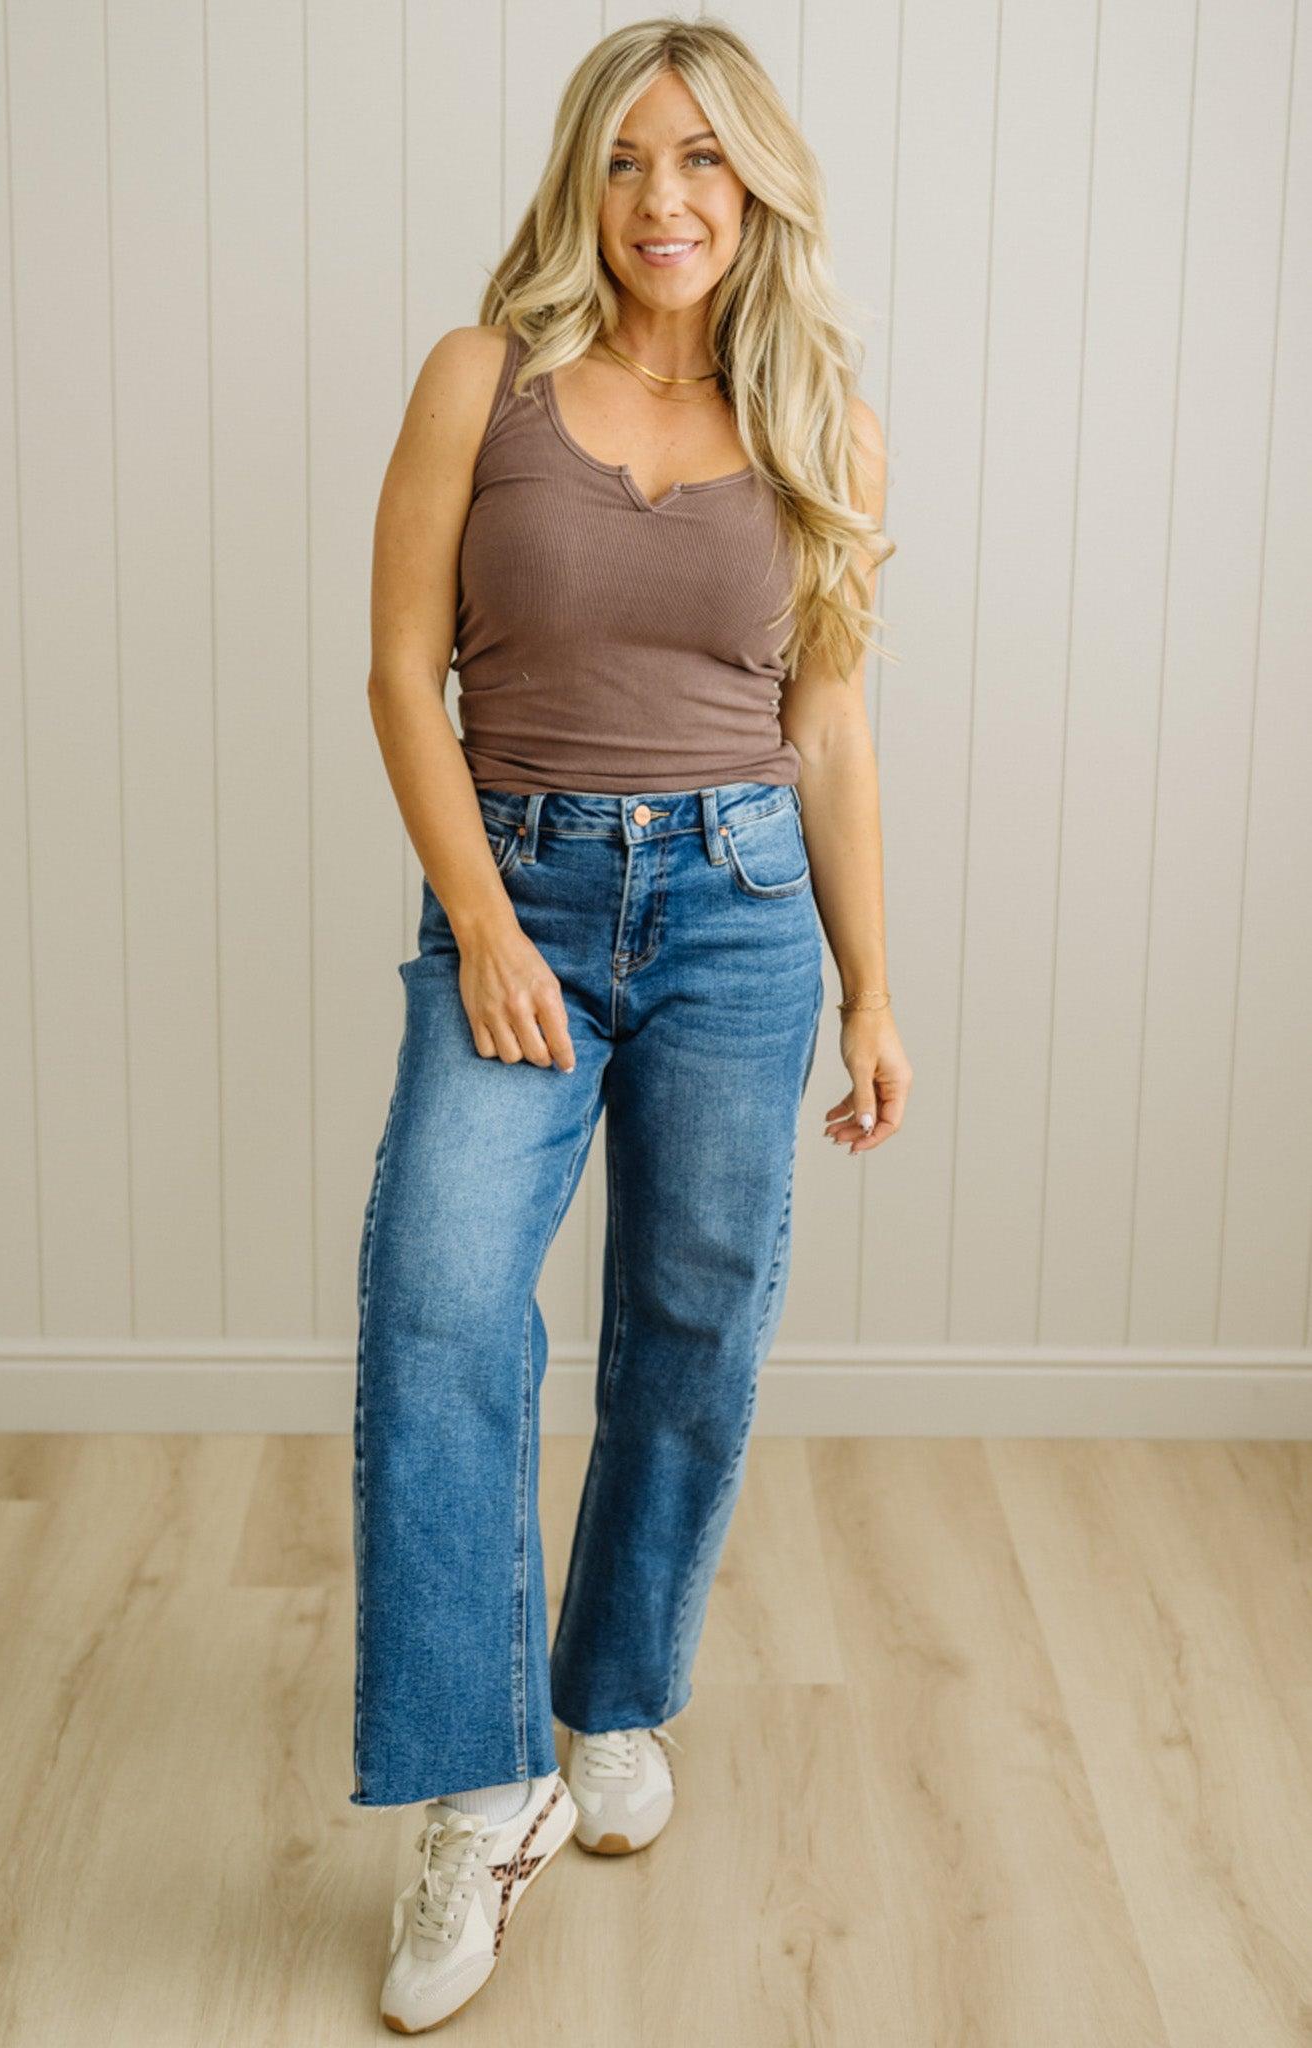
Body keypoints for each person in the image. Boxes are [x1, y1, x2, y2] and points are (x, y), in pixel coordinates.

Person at [351, 16, 912, 2034]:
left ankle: (609, 1706)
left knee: (687, 1324)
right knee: (437, 1305)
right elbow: (403, 677)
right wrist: (487, 924)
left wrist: (866, 980)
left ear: (754, 184)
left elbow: (826, 724)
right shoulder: (477, 381)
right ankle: (478, 1777)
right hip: (522, 895)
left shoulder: (817, 415)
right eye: (621, 160)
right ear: (576, 183)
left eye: (699, 161)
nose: (661, 198)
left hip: (742, 911)